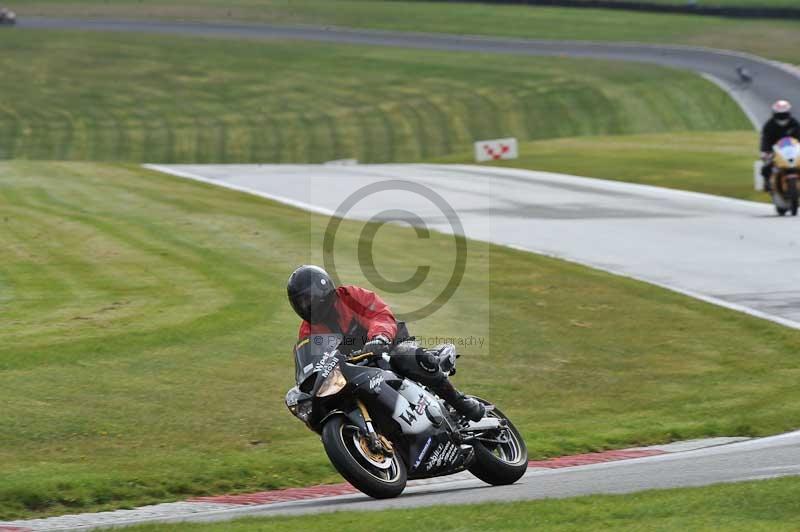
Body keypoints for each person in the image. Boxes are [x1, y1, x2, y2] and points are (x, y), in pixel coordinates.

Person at [287, 264, 485, 422]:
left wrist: (379, 337)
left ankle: (459, 402)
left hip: (387, 345)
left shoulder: (349, 297)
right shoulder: (308, 331)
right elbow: (312, 362)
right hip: (354, 368)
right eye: (301, 302)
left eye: (310, 299)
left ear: (324, 289)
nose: (307, 306)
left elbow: (379, 315)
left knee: (405, 357)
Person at [760, 100, 800, 192]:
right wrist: (765, 151)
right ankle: (767, 183)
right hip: (775, 150)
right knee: (766, 166)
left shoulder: (794, 123)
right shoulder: (769, 125)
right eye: (780, 115)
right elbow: (765, 139)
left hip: (792, 149)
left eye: (784, 114)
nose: (782, 117)